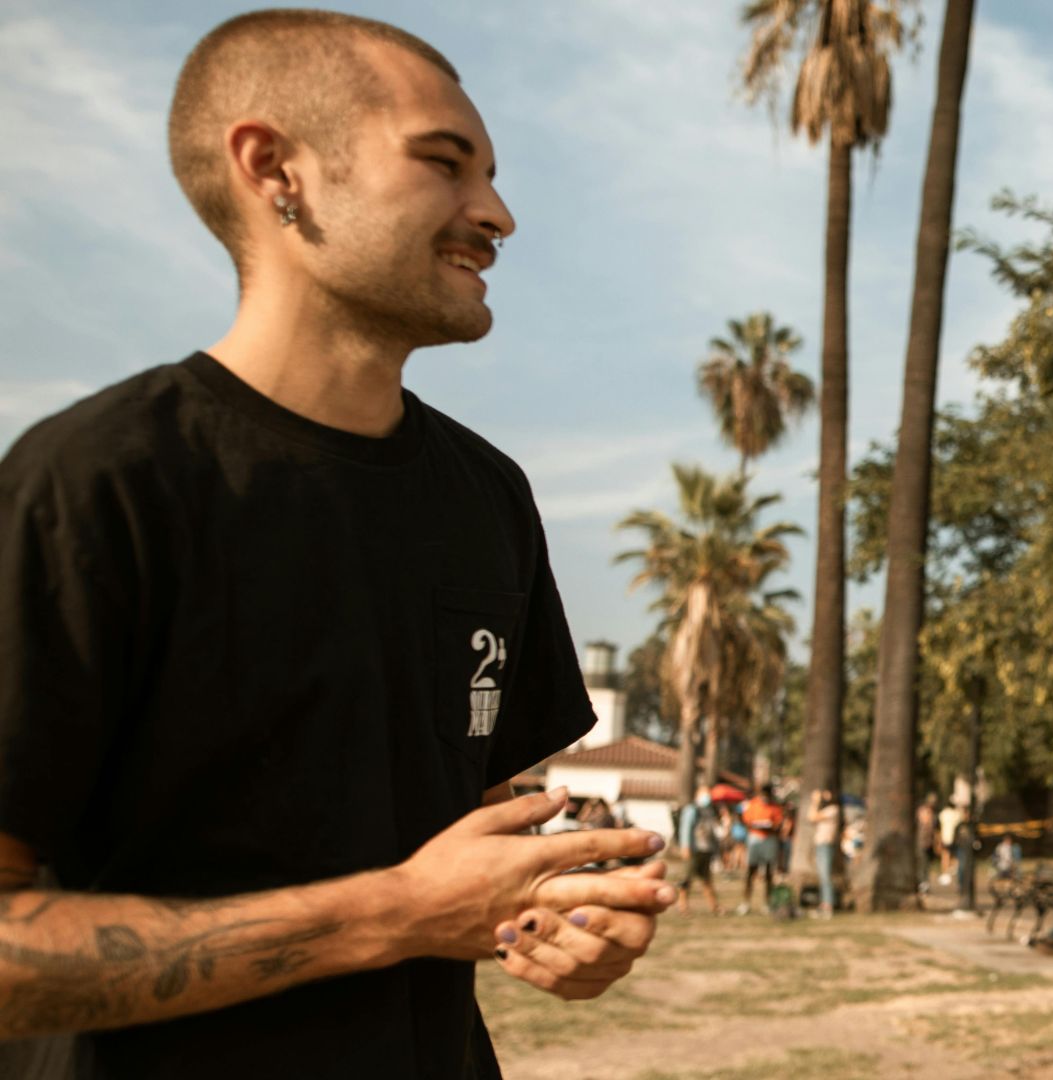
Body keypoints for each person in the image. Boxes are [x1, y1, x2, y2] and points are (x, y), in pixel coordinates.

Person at [0, 12, 674, 1076]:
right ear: (276, 170)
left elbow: (478, 846)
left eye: (491, 176)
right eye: (444, 163)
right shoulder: (96, 485)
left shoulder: (488, 498)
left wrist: (556, 925)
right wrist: (394, 914)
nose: (496, 214)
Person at [676, 787, 723, 916]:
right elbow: (685, 829)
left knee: (707, 880)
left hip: (706, 850)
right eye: (704, 793)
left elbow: (712, 831)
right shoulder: (692, 809)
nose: (707, 796)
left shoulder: (709, 811)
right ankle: (682, 906)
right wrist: (685, 846)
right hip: (694, 849)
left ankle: (714, 906)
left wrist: (716, 849)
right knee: (686, 879)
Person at [738, 785, 785, 913]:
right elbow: (746, 820)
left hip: (769, 839)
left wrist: (771, 827)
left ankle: (767, 902)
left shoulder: (775, 807)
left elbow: (778, 824)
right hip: (755, 838)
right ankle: (745, 902)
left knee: (769, 873)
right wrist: (755, 825)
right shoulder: (753, 804)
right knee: (751, 871)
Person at [809, 789, 841, 917]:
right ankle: (824, 904)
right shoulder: (825, 810)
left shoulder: (833, 809)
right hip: (820, 845)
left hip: (826, 845)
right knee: (822, 876)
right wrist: (814, 803)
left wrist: (815, 801)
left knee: (825, 875)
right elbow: (810, 817)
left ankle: (828, 905)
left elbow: (813, 817)